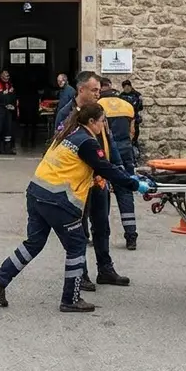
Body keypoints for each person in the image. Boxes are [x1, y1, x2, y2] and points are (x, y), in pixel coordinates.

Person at [0, 102, 152, 313]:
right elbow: (105, 168)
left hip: (37, 193)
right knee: (77, 245)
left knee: (34, 243)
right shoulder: (88, 142)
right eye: (102, 121)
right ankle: (70, 299)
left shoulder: (68, 134)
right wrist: (135, 184)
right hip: (58, 200)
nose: (104, 125)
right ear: (92, 122)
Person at [54, 71, 130, 290]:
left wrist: (118, 168)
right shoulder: (66, 113)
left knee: (102, 225)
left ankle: (105, 269)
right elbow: (60, 149)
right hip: (78, 182)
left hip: (100, 180)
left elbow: (109, 141)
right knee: (80, 229)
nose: (99, 93)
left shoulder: (99, 111)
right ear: (81, 90)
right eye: (94, 90)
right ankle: (82, 274)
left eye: (99, 90)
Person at [98, 77, 140, 250]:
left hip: (106, 152)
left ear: (101, 89)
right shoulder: (127, 105)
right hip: (125, 150)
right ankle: (131, 236)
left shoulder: (98, 106)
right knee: (125, 192)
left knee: (101, 194)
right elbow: (132, 131)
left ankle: (100, 234)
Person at [0, 70, 18, 154]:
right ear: (1, 76)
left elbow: (14, 96)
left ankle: (8, 149)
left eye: (8, 76)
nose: (7, 77)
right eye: (5, 76)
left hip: (8, 110)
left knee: (8, 129)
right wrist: (3, 93)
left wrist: (13, 105)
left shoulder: (10, 85)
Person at [119, 80, 143, 147]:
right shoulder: (121, 95)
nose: (127, 88)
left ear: (131, 86)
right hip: (125, 118)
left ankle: (134, 144)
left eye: (128, 86)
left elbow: (141, 108)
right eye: (125, 87)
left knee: (135, 133)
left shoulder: (137, 95)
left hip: (134, 117)